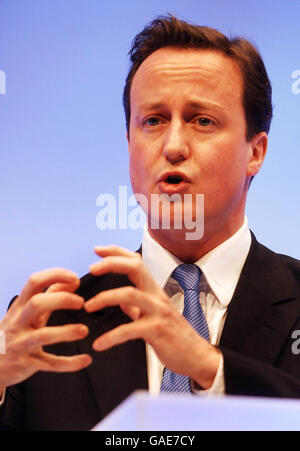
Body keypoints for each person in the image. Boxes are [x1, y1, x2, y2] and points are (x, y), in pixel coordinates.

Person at [1, 14, 300, 431]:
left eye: (202, 120)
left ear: (256, 151)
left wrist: (210, 369)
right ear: (129, 144)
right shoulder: (52, 327)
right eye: (153, 121)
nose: (173, 146)